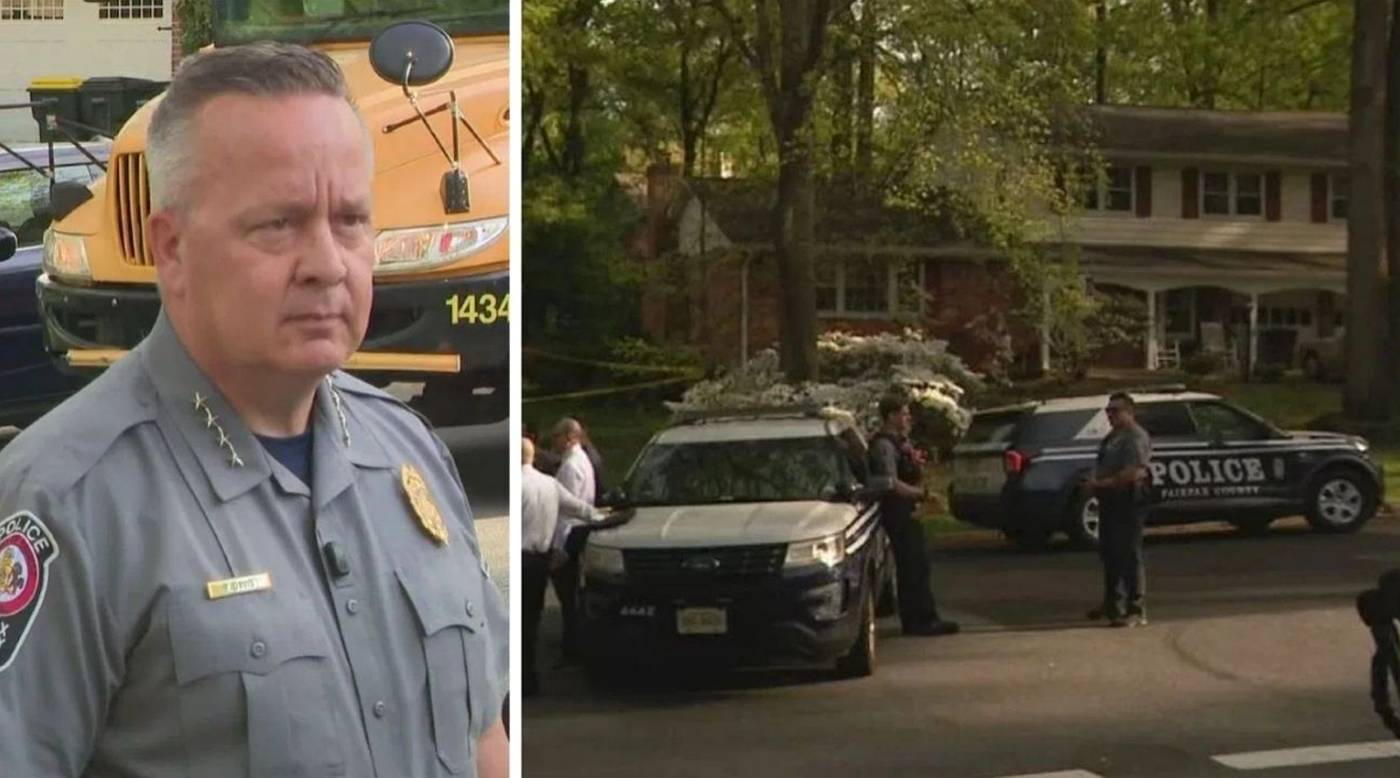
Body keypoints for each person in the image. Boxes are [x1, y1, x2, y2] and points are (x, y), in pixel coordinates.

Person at [0, 43, 508, 777]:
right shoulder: (65, 503)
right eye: (279, 224)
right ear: (170, 249)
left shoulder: (409, 454)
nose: (328, 263)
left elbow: (483, 736)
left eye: (351, 220)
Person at [868, 396, 960, 637]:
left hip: (910, 510)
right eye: (904, 414)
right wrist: (921, 493)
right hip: (898, 511)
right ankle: (917, 621)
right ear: (891, 416)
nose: (908, 418)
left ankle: (927, 616)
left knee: (920, 565)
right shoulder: (884, 446)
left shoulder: (900, 443)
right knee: (910, 566)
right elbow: (889, 482)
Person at [521, 437, 602, 697]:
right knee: (532, 620)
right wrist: (604, 517)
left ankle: (523, 678)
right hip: (540, 560)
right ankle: (529, 679)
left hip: (521, 558)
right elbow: (581, 509)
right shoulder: (549, 484)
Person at [1083, 391, 1153, 628]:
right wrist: (1094, 481)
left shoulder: (1135, 436)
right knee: (1110, 552)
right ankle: (1113, 603)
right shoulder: (1113, 436)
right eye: (1108, 411)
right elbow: (1102, 464)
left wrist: (1101, 483)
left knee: (1129, 552)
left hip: (1129, 499)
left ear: (1129, 412)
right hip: (1109, 500)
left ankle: (1136, 608)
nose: (1110, 415)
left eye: (1115, 411)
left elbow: (1133, 472)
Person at [550, 416, 597, 661]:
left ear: (569, 438)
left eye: (556, 436)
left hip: (570, 533)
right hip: (580, 529)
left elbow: (564, 509)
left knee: (568, 598)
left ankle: (572, 648)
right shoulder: (583, 460)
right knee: (572, 597)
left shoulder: (570, 467)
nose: (553, 441)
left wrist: (559, 547)